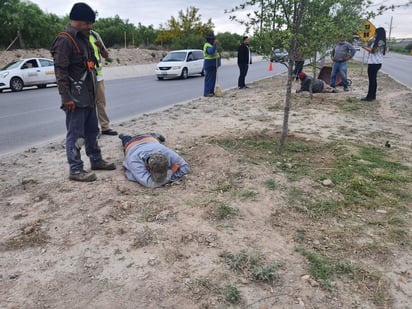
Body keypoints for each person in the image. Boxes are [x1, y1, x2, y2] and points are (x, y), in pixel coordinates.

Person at [50, 2, 116, 182]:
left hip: (89, 96)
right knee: (76, 135)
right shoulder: (65, 40)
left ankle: (96, 160)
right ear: (77, 21)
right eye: (88, 23)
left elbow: (96, 61)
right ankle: (76, 169)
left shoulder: (85, 38)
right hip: (75, 99)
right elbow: (60, 72)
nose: (90, 27)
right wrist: (66, 97)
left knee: (92, 132)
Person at [118, 133, 190, 188]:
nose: (162, 178)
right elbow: (149, 183)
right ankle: (124, 136)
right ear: (147, 167)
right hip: (131, 144)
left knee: (156, 138)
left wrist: (166, 180)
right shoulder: (134, 160)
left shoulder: (167, 153)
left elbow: (185, 168)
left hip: (149, 139)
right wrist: (171, 172)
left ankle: (154, 135)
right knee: (126, 139)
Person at [89, 30, 118, 135]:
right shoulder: (76, 35)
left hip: (98, 76)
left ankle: (105, 127)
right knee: (88, 104)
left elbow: (105, 55)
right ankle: (92, 130)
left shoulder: (94, 35)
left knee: (101, 103)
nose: (89, 26)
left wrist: (101, 46)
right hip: (85, 78)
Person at [361, 27, 387, 102]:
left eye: (375, 33)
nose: (374, 35)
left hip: (374, 63)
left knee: (372, 81)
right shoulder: (377, 41)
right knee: (373, 80)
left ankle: (370, 96)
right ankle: (372, 96)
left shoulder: (381, 42)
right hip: (374, 62)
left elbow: (373, 51)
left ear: (379, 34)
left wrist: (364, 47)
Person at [203, 33, 221, 97]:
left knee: (213, 79)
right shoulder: (207, 45)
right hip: (209, 64)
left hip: (213, 65)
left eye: (213, 39)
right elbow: (211, 52)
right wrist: (214, 45)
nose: (213, 40)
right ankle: (207, 92)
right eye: (212, 39)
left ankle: (211, 92)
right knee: (209, 79)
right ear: (209, 40)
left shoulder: (211, 45)